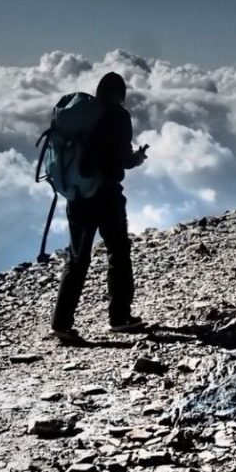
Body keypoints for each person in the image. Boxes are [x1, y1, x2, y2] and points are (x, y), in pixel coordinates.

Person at [50, 72, 148, 343]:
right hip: (106, 196)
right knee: (118, 252)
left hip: (78, 196)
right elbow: (123, 159)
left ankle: (61, 324)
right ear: (119, 93)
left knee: (77, 259)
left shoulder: (85, 116)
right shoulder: (118, 116)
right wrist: (137, 158)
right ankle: (119, 317)